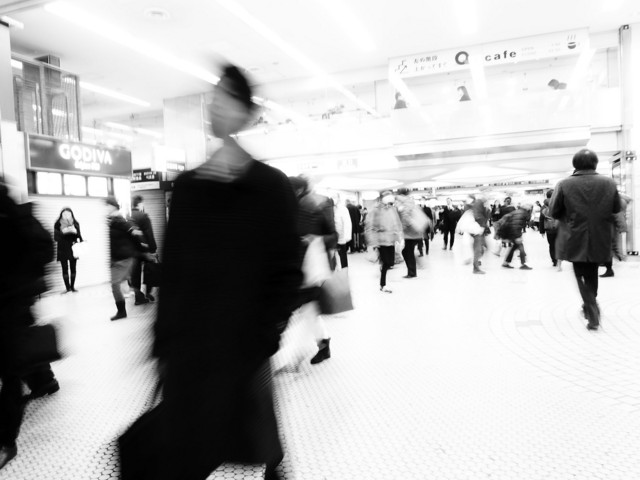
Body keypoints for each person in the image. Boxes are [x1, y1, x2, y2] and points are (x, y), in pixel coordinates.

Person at [152, 65, 301, 480]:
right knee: (187, 445)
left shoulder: (270, 186)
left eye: (227, 98)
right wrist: (163, 342)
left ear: (247, 113)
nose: (215, 106)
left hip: (243, 343)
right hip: (190, 345)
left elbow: (286, 269)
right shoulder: (188, 187)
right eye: (213, 97)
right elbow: (173, 270)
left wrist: (266, 335)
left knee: (257, 436)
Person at [0, 179, 56, 470]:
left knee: (11, 372)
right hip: (16, 304)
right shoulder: (19, 215)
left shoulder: (14, 218)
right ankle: (44, 380)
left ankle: (6, 442)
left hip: (11, 306)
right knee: (13, 368)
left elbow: (43, 251)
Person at [550, 149, 621, 331]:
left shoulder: (564, 184)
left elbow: (554, 211)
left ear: (575, 164)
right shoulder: (609, 183)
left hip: (575, 235)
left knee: (579, 273)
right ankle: (589, 303)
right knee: (592, 272)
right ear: (595, 163)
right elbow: (616, 207)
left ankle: (591, 308)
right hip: (601, 235)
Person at [288, 176, 337, 366]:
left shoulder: (314, 208)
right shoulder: (292, 208)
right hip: (298, 268)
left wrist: (314, 240)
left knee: (306, 310)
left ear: (298, 190)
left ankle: (313, 348)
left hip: (309, 269)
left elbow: (333, 236)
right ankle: (322, 345)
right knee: (308, 311)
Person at [106, 196, 143, 321]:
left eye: (107, 206)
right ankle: (123, 308)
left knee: (115, 285)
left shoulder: (119, 219)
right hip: (116, 258)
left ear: (113, 206)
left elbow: (133, 231)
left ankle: (122, 311)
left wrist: (135, 234)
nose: (106, 208)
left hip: (123, 257)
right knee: (116, 285)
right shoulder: (111, 220)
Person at [365, 191, 403, 293]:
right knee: (386, 262)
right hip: (381, 240)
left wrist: (399, 238)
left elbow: (396, 223)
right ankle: (383, 285)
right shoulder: (376, 210)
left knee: (390, 262)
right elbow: (370, 226)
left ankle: (382, 266)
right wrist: (373, 242)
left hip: (391, 239)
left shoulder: (392, 209)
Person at [127, 195, 158, 304]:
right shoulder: (144, 216)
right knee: (150, 270)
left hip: (134, 251)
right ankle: (148, 292)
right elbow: (149, 234)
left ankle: (138, 297)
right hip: (145, 250)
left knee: (135, 274)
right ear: (140, 204)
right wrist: (153, 249)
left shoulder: (128, 216)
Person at [395, 188, 425, 278]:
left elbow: (405, 217)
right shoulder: (410, 201)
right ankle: (412, 271)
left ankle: (412, 272)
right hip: (414, 231)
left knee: (407, 252)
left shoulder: (403, 202)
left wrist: (402, 228)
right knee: (407, 251)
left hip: (410, 232)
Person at [600, 193, 631, 278]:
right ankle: (613, 262)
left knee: (611, 246)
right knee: (612, 245)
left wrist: (622, 228)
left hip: (612, 227)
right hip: (612, 226)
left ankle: (619, 260)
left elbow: (618, 215)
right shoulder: (619, 201)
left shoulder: (617, 202)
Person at [54, 207, 83, 293]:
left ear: (72, 214)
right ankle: (67, 288)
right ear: (61, 215)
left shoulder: (76, 223)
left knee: (73, 268)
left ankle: (72, 287)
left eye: (68, 214)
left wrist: (75, 232)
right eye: (64, 214)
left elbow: (80, 237)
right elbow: (56, 238)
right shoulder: (57, 224)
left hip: (73, 248)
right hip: (62, 248)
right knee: (64, 269)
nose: (66, 215)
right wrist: (63, 232)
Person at [498, 204, 533, 270]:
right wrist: (517, 236)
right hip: (514, 233)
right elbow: (516, 225)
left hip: (511, 232)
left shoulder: (518, 212)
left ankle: (505, 263)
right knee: (521, 248)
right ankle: (523, 264)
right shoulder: (522, 213)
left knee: (514, 247)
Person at [539, 190, 559, 266]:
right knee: (558, 244)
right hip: (558, 228)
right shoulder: (558, 203)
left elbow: (541, 219)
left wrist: (542, 231)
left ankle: (554, 260)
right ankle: (558, 258)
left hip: (549, 229)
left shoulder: (544, 206)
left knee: (551, 245)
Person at [334, 196, 352, 268]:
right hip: (332, 236)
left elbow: (347, 223)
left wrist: (347, 236)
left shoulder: (343, 209)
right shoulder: (328, 208)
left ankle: (344, 270)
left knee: (342, 255)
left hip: (341, 237)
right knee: (333, 256)